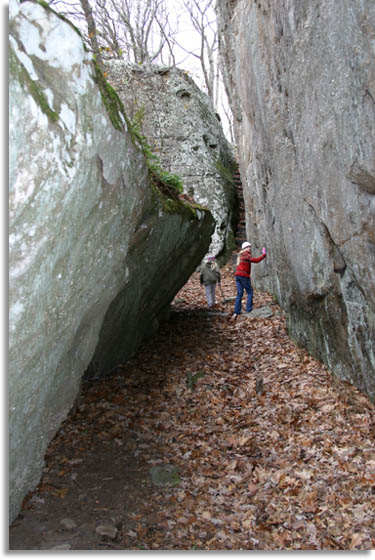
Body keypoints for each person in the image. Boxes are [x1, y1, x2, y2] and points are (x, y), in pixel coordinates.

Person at [231, 241, 266, 320]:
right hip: (244, 276)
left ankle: (236, 311)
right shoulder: (246, 255)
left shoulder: (240, 256)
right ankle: (248, 309)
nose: (249, 248)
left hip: (238, 276)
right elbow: (256, 260)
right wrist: (264, 255)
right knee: (250, 291)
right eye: (247, 247)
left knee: (239, 293)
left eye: (250, 247)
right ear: (244, 248)